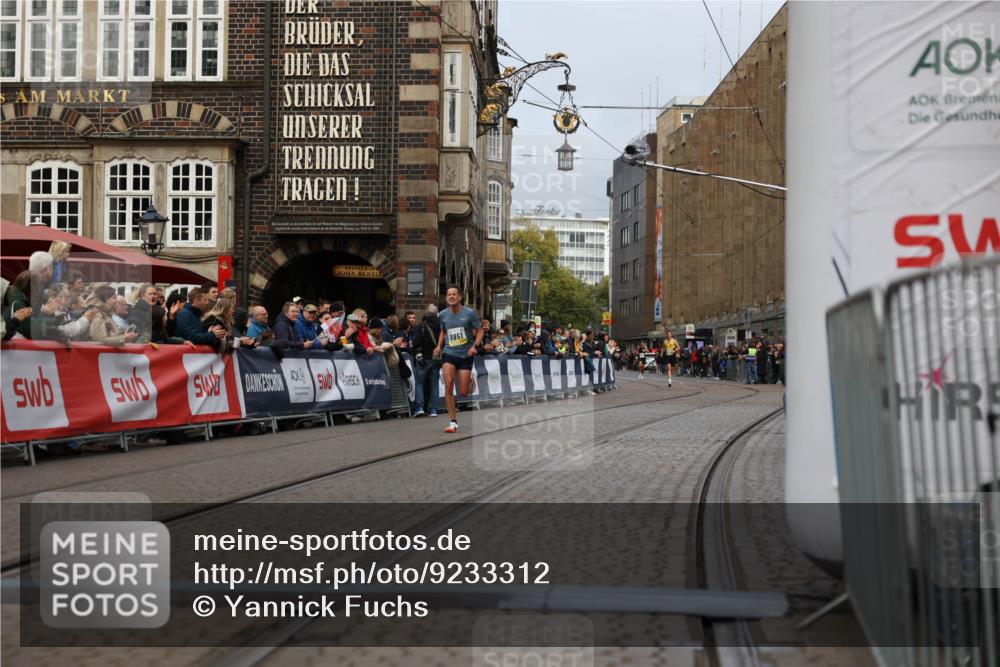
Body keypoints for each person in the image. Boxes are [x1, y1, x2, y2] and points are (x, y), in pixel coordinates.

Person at [433, 286, 483, 434]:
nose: (452, 296)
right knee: (448, 384)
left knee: (463, 393)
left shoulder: (469, 313)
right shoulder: (442, 314)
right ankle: (453, 421)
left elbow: (480, 330)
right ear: (446, 298)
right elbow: (443, 331)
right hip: (449, 353)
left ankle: (470, 381)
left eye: (454, 294)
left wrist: (475, 345)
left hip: (466, 354)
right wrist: (438, 346)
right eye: (449, 294)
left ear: (460, 297)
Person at [409, 305, 441, 417]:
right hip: (437, 358)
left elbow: (416, 342)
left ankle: (420, 407)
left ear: (426, 314)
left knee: (420, 382)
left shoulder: (421, 326)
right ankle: (433, 409)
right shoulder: (442, 326)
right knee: (434, 383)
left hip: (424, 358)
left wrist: (416, 352)